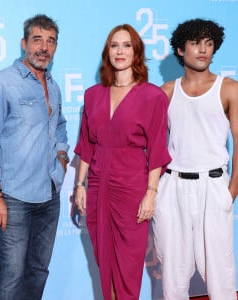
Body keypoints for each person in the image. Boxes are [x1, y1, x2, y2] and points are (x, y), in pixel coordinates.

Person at [0, 14, 69, 300]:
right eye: (37, 39)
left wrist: (62, 158)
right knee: (12, 276)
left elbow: (61, 126)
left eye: (50, 41)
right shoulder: (1, 83)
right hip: (14, 197)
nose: (44, 47)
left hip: (49, 196)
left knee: (38, 271)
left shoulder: (52, 85)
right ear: (23, 43)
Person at [74, 24, 171, 300]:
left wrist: (151, 194)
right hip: (97, 190)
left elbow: (157, 150)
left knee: (127, 269)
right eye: (114, 45)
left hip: (132, 190)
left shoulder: (153, 96)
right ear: (108, 52)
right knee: (105, 267)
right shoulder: (93, 94)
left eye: (127, 45)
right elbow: (86, 144)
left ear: (136, 52)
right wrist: (79, 185)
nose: (120, 51)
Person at [153, 18, 238, 300]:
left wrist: (231, 191)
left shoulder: (229, 89)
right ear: (180, 49)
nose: (203, 50)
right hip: (172, 187)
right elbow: (151, 146)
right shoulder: (166, 91)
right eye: (195, 43)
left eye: (209, 43)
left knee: (220, 275)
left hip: (213, 186)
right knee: (173, 277)